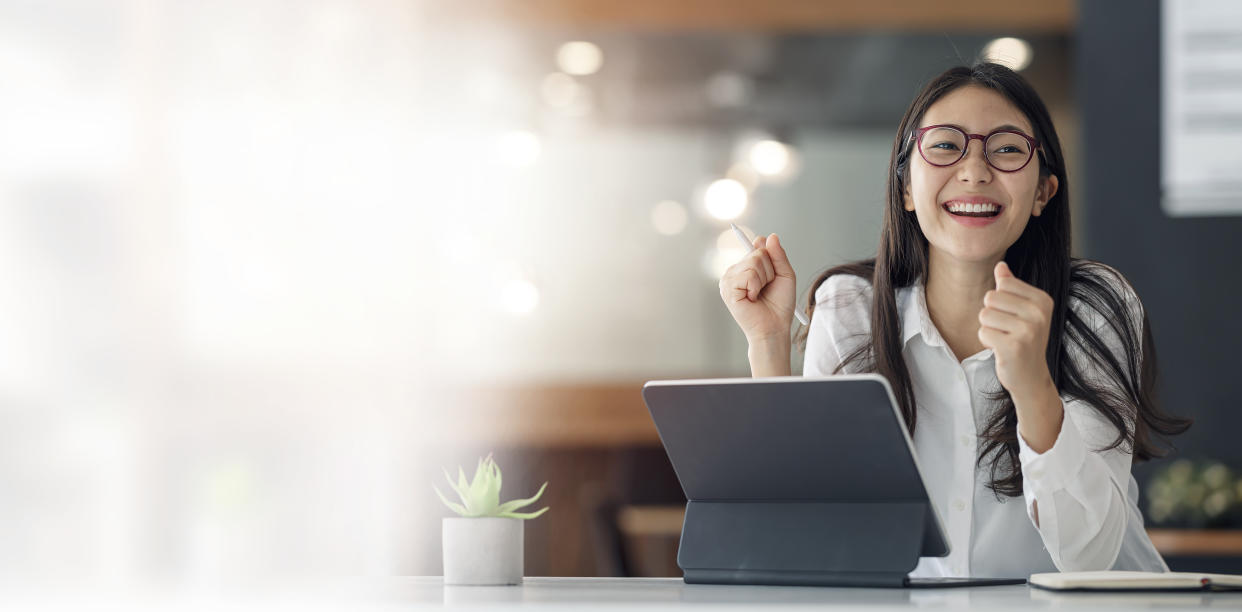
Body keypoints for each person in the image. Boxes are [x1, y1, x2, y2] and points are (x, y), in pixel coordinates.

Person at [717, 63, 1192, 578]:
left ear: (1042, 193)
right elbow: (808, 533)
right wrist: (768, 343)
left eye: (1007, 148)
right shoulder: (849, 307)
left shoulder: (1094, 307)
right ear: (905, 189)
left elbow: (1089, 557)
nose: (974, 171)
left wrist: (1032, 383)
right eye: (945, 146)